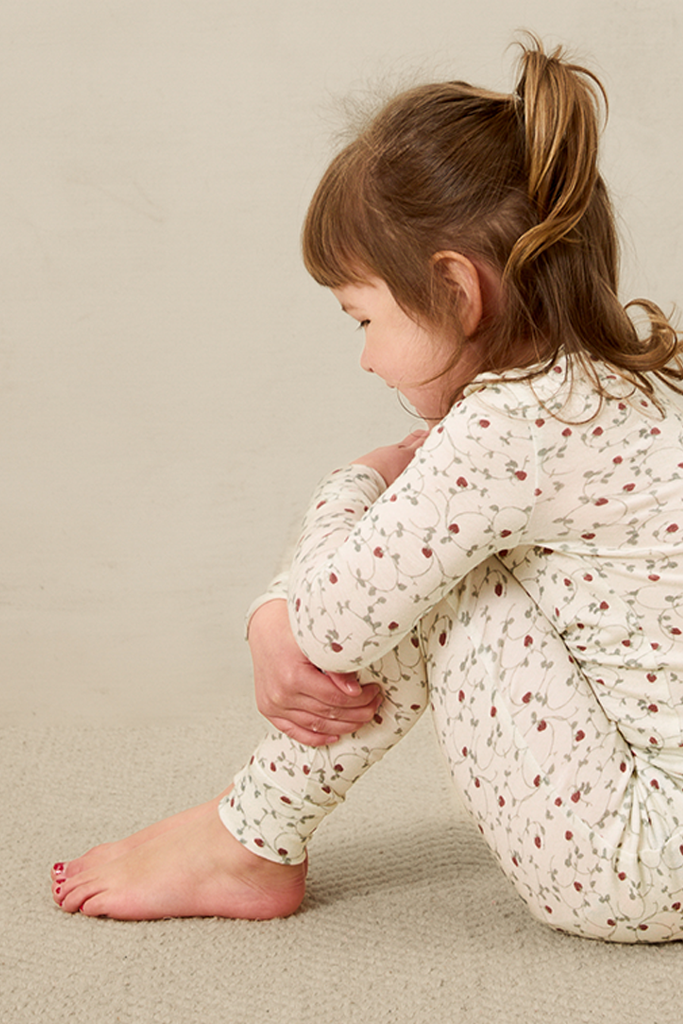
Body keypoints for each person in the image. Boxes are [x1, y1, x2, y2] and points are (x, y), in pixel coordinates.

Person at [51, 35, 683, 942]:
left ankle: (252, 838)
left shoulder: (508, 428)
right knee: (440, 551)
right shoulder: (618, 385)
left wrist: (328, 521)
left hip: (633, 864)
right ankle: (247, 834)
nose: (365, 356)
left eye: (364, 317)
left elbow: (334, 623)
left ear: (456, 291)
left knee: (444, 573)